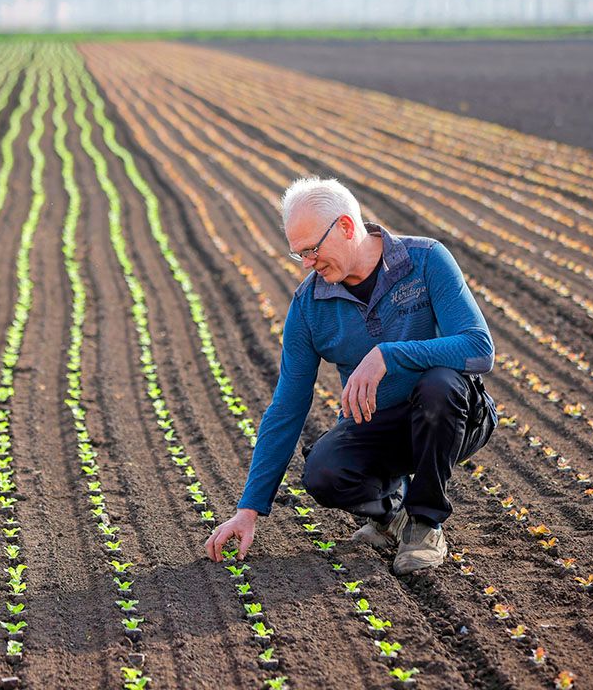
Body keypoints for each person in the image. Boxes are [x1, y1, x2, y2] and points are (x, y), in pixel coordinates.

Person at [204, 177, 498, 575]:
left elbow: (479, 348)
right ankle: (391, 516)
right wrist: (248, 511)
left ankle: (425, 524)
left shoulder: (426, 260)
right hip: (384, 426)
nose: (307, 263)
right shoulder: (310, 306)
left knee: (439, 384)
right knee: (324, 470)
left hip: (453, 417)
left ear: (345, 227)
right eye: (299, 254)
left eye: (311, 249)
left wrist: (389, 355)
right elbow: (287, 407)